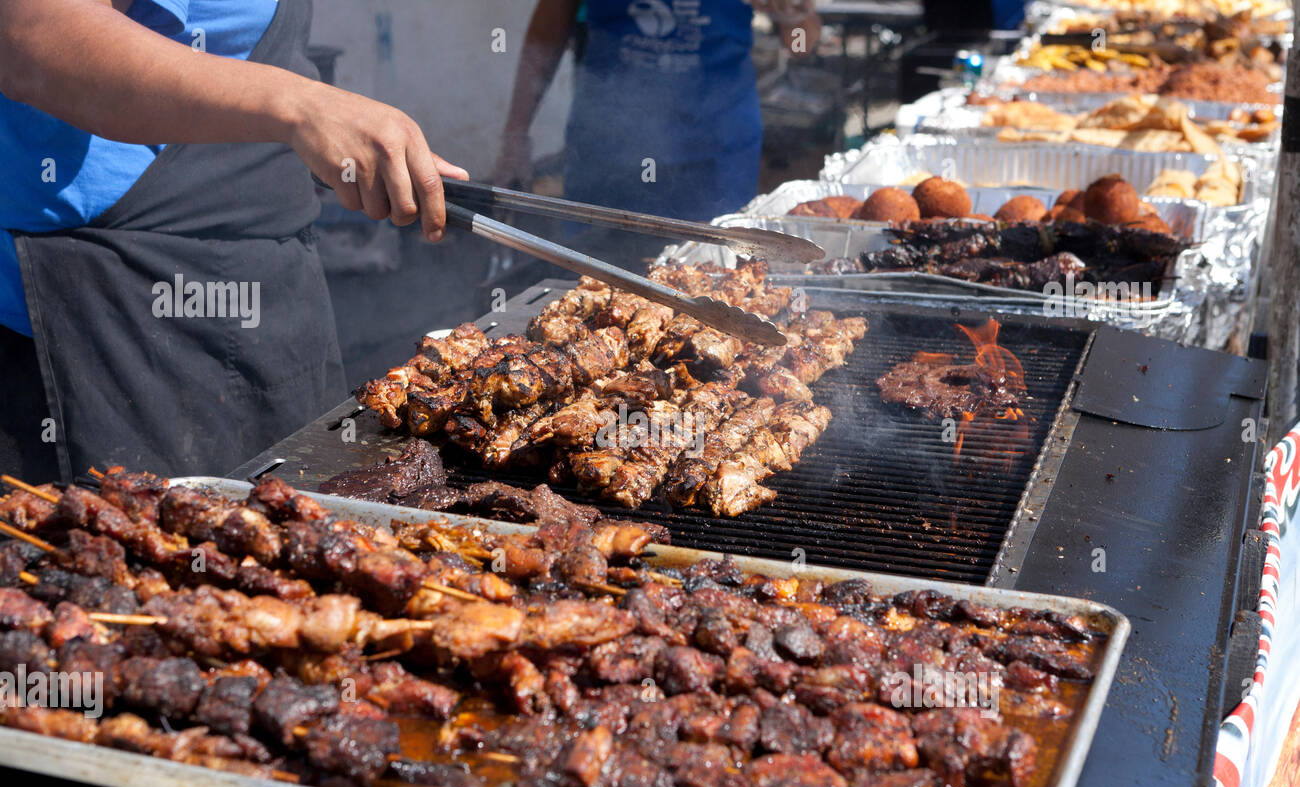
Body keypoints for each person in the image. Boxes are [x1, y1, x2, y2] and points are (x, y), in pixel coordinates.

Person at [0, 0, 467, 482]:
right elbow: (37, 34)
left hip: (267, 275)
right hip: (109, 307)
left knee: (305, 529)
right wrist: (303, 106)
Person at [494, 0, 820, 231]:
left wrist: (793, 15)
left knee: (716, 278)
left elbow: (800, 44)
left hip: (717, 152)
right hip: (607, 150)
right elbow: (545, 34)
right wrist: (515, 134)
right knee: (590, 281)